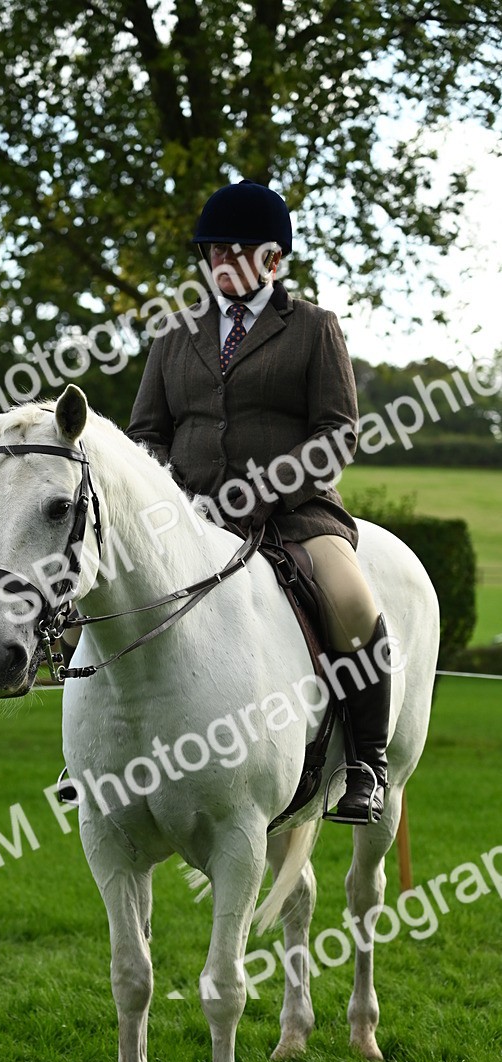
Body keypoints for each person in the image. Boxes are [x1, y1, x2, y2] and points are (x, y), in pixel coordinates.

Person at [126, 179, 391, 826]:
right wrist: (166, 494)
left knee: (353, 603)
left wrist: (264, 492)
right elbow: (146, 434)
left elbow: (338, 433)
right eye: (214, 249)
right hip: (186, 516)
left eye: (237, 249)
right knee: (106, 590)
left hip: (295, 515)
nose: (221, 259)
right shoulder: (175, 333)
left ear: (273, 259)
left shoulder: (313, 329)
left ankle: (367, 762)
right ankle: (96, 754)